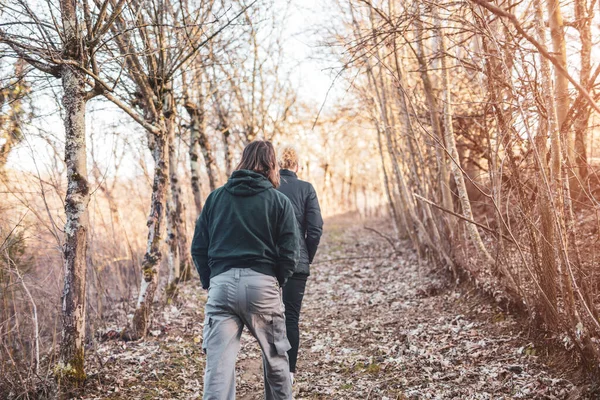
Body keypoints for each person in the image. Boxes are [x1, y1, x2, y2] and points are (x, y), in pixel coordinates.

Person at [191, 140, 299, 400]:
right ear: (271, 164)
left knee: (217, 370)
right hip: (262, 286)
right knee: (276, 363)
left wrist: (211, 281)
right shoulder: (278, 200)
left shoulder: (216, 198)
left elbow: (198, 247)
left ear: (243, 161)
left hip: (221, 287)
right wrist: (276, 280)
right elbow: (290, 252)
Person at [276, 146, 323, 384]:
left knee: (271, 318)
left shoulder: (269, 188)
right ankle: (289, 373)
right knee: (291, 317)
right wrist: (307, 255)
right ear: (297, 166)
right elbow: (315, 229)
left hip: (269, 263)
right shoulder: (306, 188)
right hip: (297, 263)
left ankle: (272, 369)